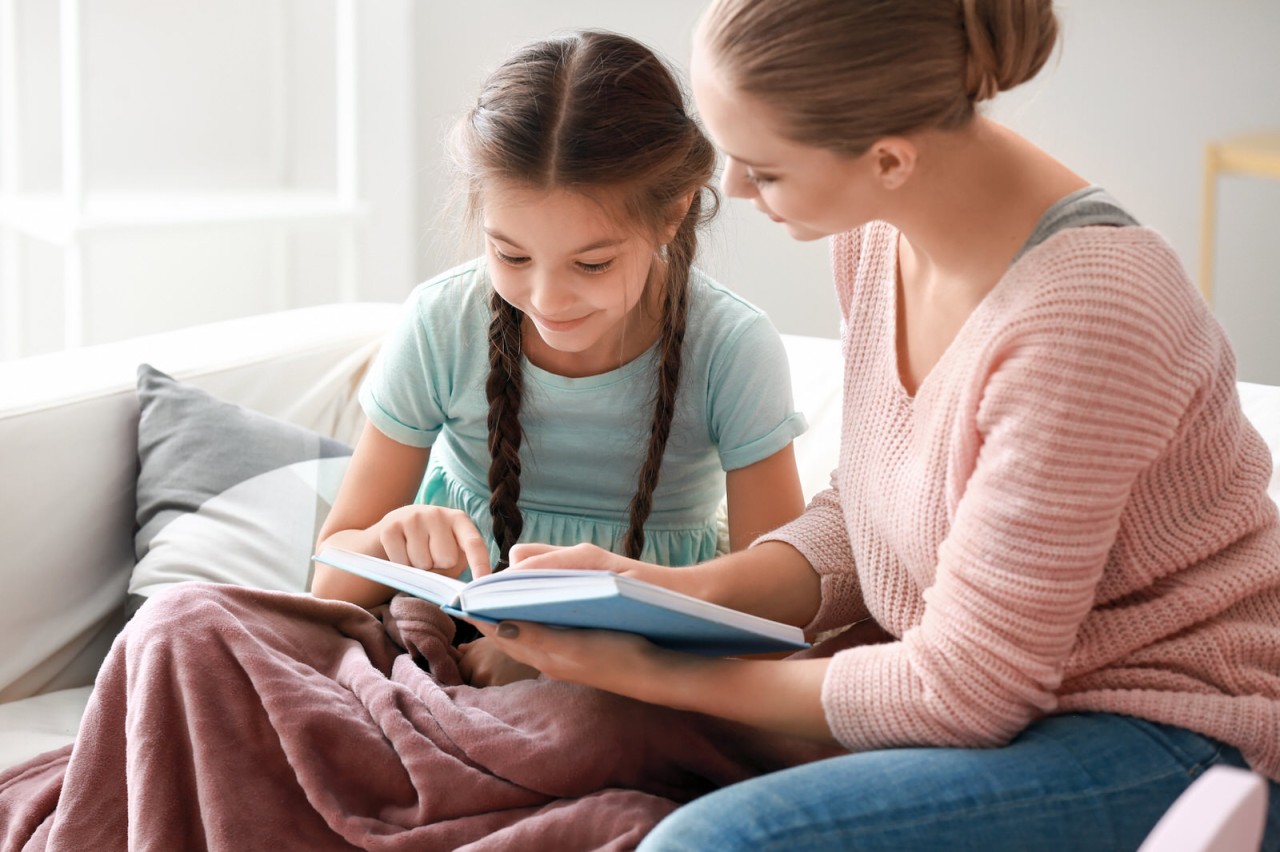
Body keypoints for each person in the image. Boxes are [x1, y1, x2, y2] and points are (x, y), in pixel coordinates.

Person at [466, 1, 1280, 848]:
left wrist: (658, 670)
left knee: (709, 842)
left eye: (766, 170)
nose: (734, 191)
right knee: (577, 730)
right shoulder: (874, 237)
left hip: (1174, 731)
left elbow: (964, 692)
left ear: (889, 157)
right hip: (990, 700)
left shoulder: (1088, 317)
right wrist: (654, 593)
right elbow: (869, 514)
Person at [311, 29, 808, 686]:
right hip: (435, 640)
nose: (546, 299)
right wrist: (388, 540)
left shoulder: (731, 348)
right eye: (511, 255)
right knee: (188, 621)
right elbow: (329, 584)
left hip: (640, 668)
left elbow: (776, 620)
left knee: (576, 726)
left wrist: (557, 658)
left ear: (673, 214)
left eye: (593, 263)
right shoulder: (441, 322)